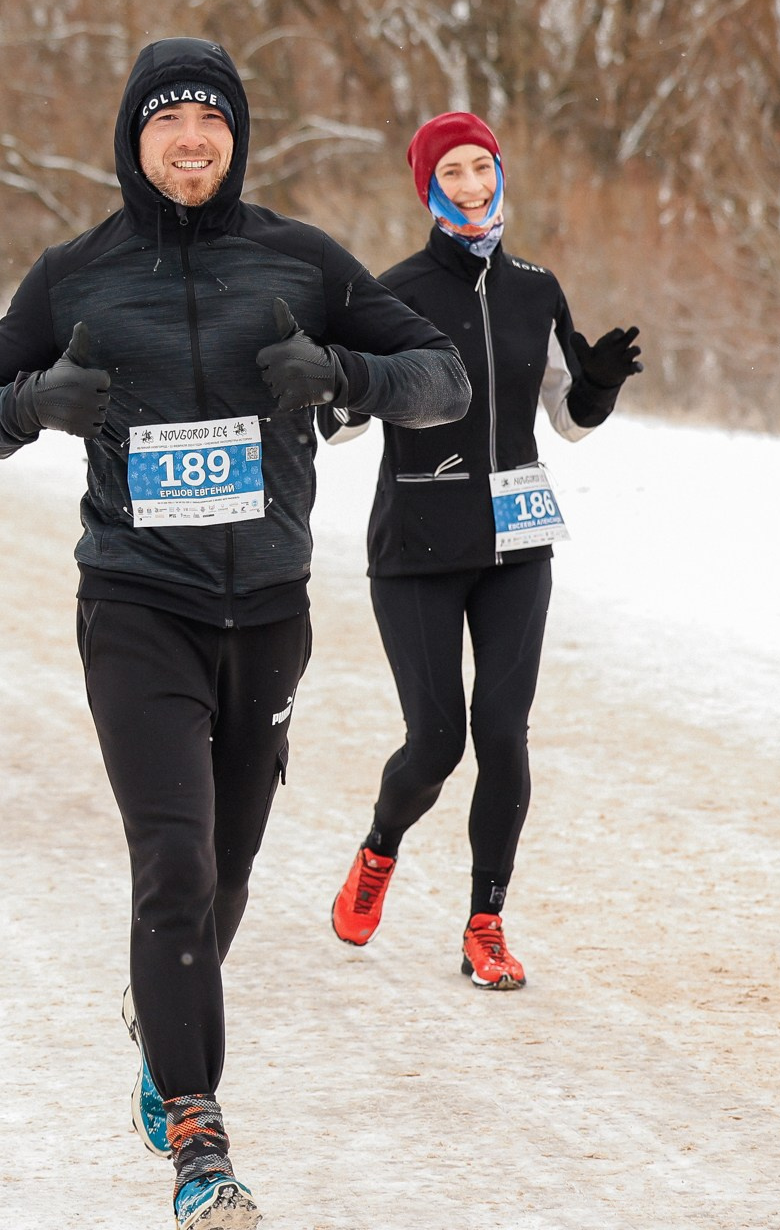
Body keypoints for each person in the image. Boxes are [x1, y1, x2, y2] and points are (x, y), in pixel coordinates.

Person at [0, 39, 469, 1230]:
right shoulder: (75, 277)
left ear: (237, 138)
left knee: (225, 875)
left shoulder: (300, 260)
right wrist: (34, 405)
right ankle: (199, 1138)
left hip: (269, 615)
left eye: (213, 121)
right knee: (173, 864)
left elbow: (440, 378)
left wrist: (341, 373)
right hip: (138, 605)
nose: (193, 139)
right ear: (134, 140)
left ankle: (163, 1024)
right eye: (168, 120)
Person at [322, 112, 643, 989]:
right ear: (427, 187)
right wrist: (341, 386)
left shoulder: (537, 289)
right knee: (435, 742)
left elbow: (567, 424)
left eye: (481, 167)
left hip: (518, 543)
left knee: (503, 734)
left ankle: (485, 923)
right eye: (451, 173)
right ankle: (381, 850)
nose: (471, 185)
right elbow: (339, 426)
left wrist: (600, 388)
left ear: (500, 173)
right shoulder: (394, 294)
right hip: (418, 545)